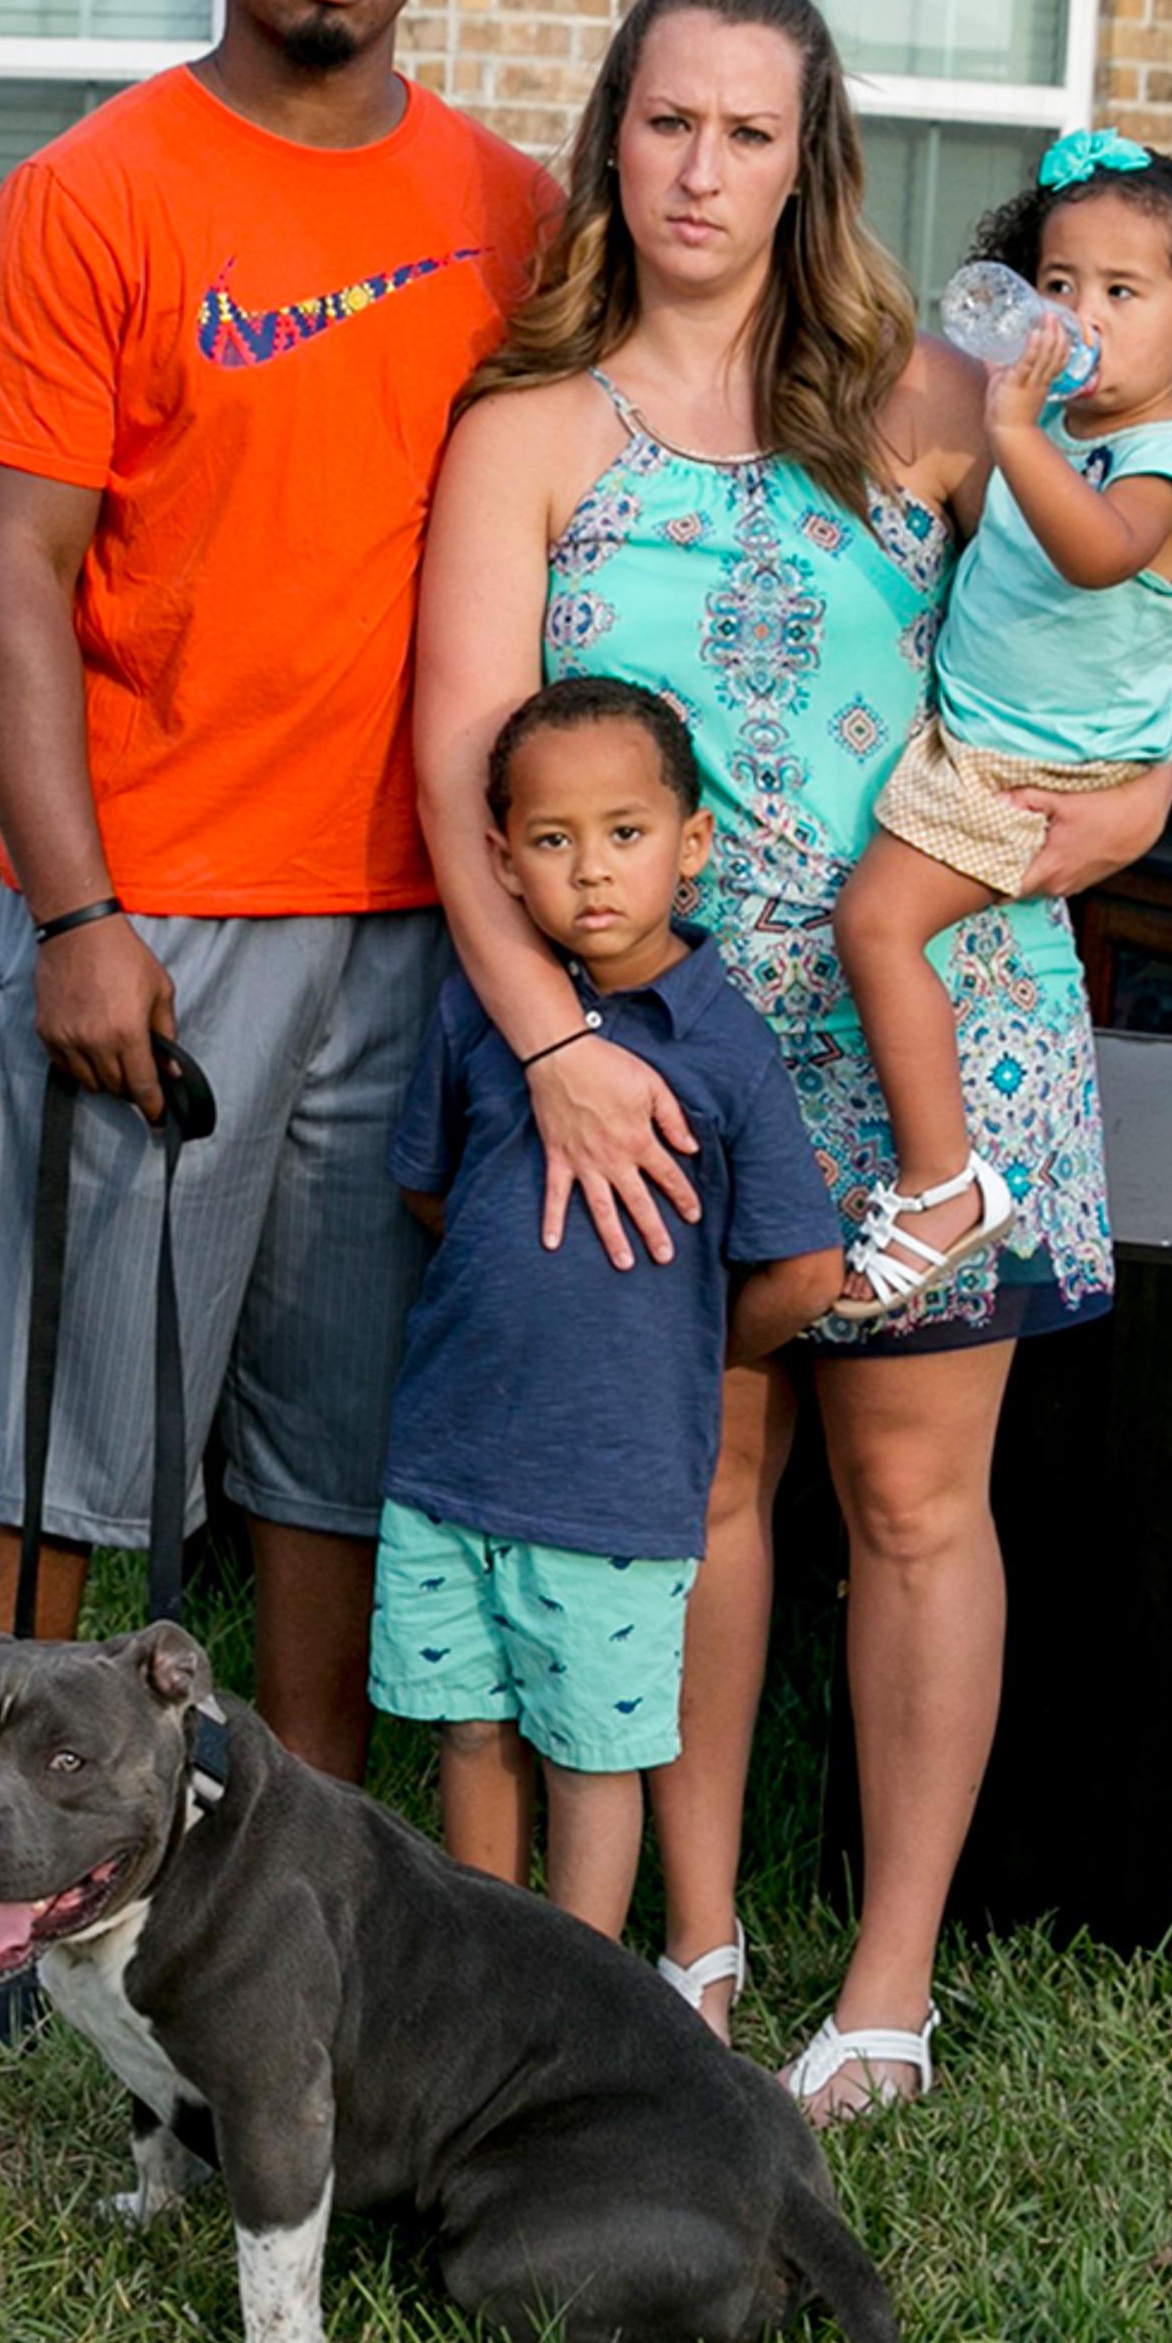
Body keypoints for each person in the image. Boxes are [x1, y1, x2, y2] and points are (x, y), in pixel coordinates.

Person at [411, 0, 1172, 2124]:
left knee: (920, 1500)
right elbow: (455, 772)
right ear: (613, 139)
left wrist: (1138, 799)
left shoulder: (932, 399)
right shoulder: (528, 433)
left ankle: (886, 1989)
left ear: (810, 156)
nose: (702, 166)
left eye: (750, 129)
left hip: (930, 1011)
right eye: (667, 119)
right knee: (695, 1490)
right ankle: (692, 1940)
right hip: (646, 1058)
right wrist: (550, 1046)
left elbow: (1156, 566)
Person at [0, 0, 563, 2048]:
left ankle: (286, 1883)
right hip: (150, 917)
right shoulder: (94, 197)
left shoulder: (508, 208)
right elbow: (7, 584)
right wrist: (74, 912)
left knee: (325, 1445)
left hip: (409, 915)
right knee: (57, 1429)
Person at [373, 674, 847, 1937]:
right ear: (501, 858)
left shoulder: (726, 1047)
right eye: (551, 840)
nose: (591, 872)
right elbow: (429, 1188)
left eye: (626, 835)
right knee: (473, 1728)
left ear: (692, 846)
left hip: (614, 1484)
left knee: (593, 1750)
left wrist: (686, 1347)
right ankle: (483, 1966)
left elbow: (804, 1270)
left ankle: (577, 1998)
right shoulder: (481, 1010)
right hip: (453, 1454)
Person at [831, 131, 1172, 1317]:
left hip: (1035, 770)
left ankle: (942, 1183)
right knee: (881, 923)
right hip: (982, 739)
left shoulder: (1167, 461)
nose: (1080, 315)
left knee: (877, 925)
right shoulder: (1062, 436)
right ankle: (939, 1174)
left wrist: (1016, 432)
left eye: (1123, 293)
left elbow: (1095, 558)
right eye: (1060, 285)